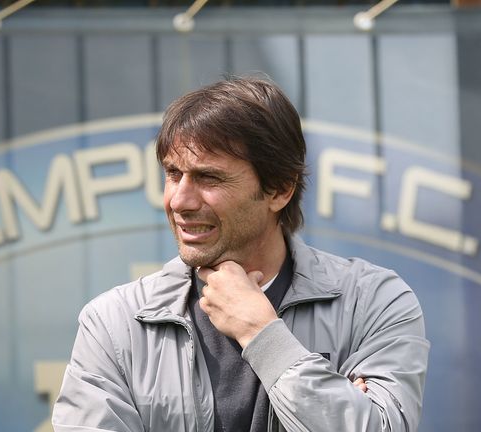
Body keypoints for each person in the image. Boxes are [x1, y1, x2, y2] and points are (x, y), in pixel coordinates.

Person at [52, 76, 429, 432]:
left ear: (279, 189)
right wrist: (335, 403)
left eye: (209, 178)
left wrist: (263, 334)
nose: (179, 200)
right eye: (172, 174)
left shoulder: (373, 301)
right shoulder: (114, 324)